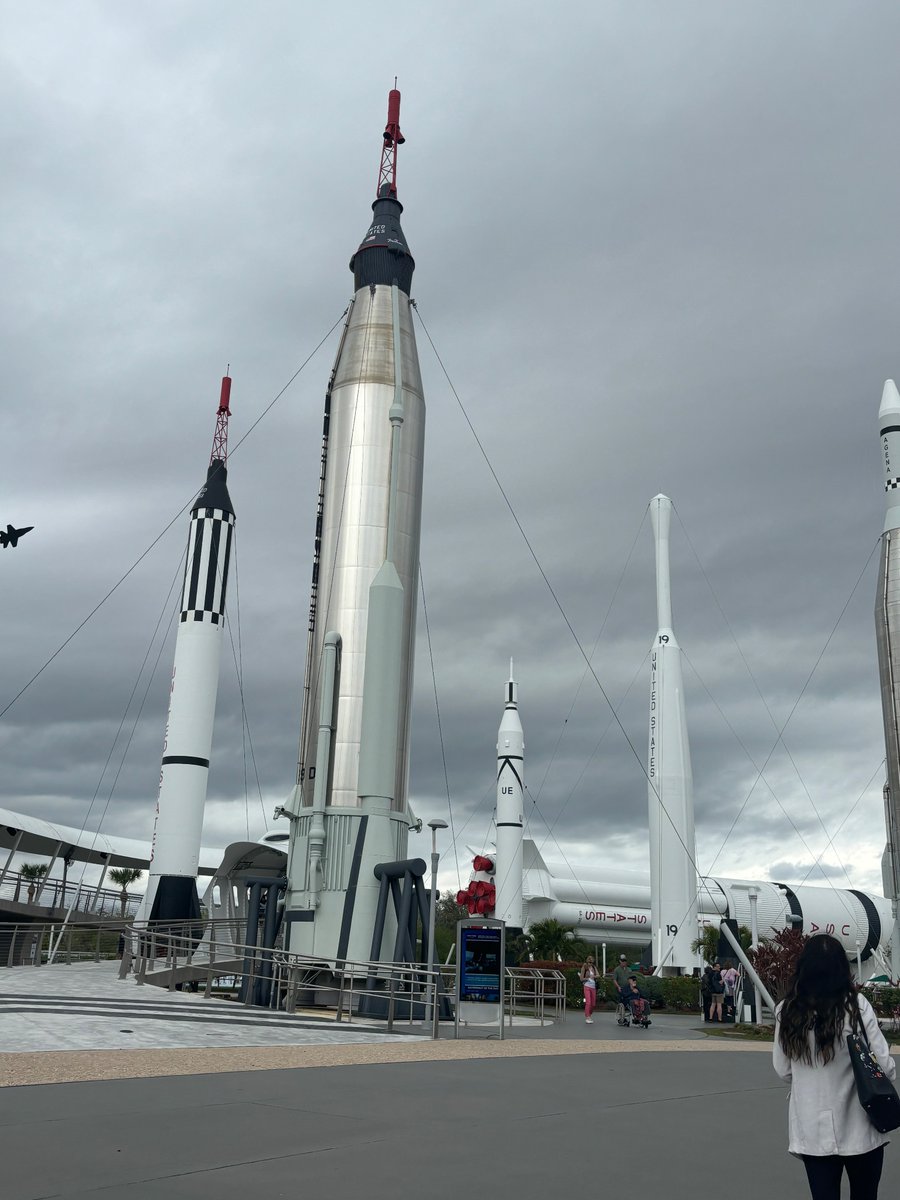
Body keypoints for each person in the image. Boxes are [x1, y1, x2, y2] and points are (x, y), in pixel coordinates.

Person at [773, 933, 896, 1200]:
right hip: (860, 1124)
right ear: (842, 967)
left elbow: (783, 1070)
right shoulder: (857, 1007)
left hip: (812, 1128)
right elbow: (884, 1066)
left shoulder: (787, 1010)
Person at [579, 955, 598, 1023]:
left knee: (593, 1004)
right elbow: (581, 978)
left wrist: (594, 976)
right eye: (589, 962)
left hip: (593, 986)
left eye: (592, 962)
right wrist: (587, 978)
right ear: (587, 962)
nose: (590, 964)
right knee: (588, 1002)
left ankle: (589, 1014)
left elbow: (598, 975)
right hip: (587, 985)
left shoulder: (593, 967)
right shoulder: (585, 967)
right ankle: (587, 1016)